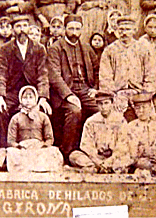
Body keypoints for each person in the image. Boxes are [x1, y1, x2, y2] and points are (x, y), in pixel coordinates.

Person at [0, 15, 51, 148]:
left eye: (25, 26)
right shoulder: (6, 49)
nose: (22, 30)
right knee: (0, 110)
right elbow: (0, 73)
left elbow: (43, 74)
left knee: (45, 109)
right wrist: (0, 96)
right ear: (13, 30)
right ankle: (4, 150)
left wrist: (42, 97)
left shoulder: (39, 48)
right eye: (18, 27)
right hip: (13, 90)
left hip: (33, 90)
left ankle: (41, 148)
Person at [47, 14, 99, 163]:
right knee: (75, 110)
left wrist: (95, 88)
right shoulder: (55, 49)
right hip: (64, 92)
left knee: (100, 109)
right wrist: (69, 95)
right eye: (71, 28)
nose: (74, 32)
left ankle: (92, 151)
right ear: (64, 29)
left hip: (85, 89)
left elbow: (97, 70)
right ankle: (67, 152)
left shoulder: (87, 48)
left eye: (77, 29)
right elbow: (54, 76)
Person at [99, 16, 156, 122]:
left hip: (140, 92)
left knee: (150, 119)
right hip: (118, 93)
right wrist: (113, 95)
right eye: (121, 30)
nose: (124, 33)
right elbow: (105, 77)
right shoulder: (110, 50)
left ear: (134, 30)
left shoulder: (143, 48)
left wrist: (146, 93)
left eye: (127, 29)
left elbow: (151, 74)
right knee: (114, 119)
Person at [69, 90, 130, 173]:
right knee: (74, 156)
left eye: (106, 103)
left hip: (114, 157)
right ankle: (96, 168)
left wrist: (109, 161)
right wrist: (97, 161)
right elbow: (87, 145)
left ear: (112, 104)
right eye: (100, 104)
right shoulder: (91, 121)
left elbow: (122, 146)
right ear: (97, 105)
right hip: (96, 158)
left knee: (125, 160)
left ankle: (97, 169)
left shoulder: (120, 121)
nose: (103, 107)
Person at [6, 85, 63, 173]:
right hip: (23, 149)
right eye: (25, 98)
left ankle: (39, 168)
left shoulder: (43, 117)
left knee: (54, 151)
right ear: (21, 99)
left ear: (35, 99)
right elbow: (10, 140)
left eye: (31, 97)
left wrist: (42, 145)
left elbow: (50, 139)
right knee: (11, 152)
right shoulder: (15, 118)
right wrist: (20, 146)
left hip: (39, 148)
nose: (28, 100)